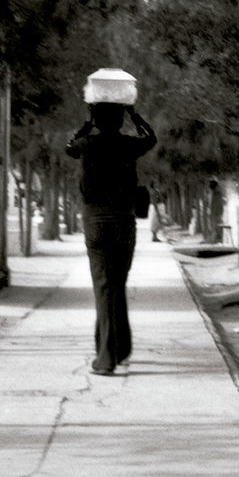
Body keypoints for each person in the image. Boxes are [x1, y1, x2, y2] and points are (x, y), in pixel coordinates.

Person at [66, 101, 156, 375]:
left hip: (95, 223)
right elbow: (151, 138)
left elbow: (70, 145)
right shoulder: (129, 144)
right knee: (116, 284)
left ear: (97, 119)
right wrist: (134, 114)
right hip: (124, 222)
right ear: (120, 120)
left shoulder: (87, 145)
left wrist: (88, 123)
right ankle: (119, 348)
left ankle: (107, 358)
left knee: (105, 286)